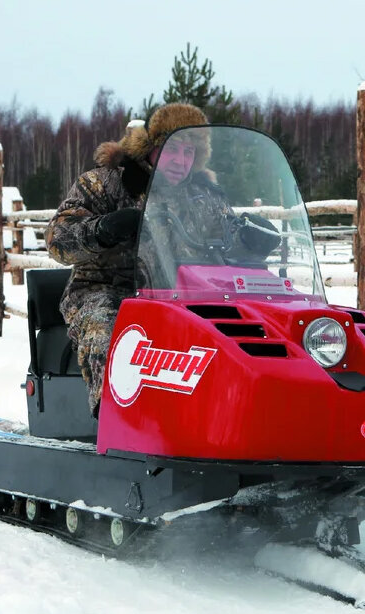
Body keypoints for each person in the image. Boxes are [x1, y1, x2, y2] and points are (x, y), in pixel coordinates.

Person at [46, 102, 279, 415]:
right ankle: (118, 421)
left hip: (182, 297)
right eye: (172, 149)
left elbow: (229, 241)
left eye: (188, 153)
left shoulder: (204, 196)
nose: (180, 161)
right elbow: (57, 239)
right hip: (109, 292)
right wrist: (103, 228)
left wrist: (253, 240)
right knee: (109, 333)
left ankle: (243, 412)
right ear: (152, 147)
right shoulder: (105, 184)